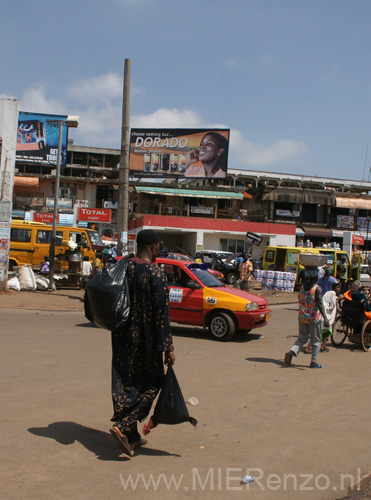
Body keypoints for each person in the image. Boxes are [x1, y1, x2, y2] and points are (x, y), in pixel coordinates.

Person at [110, 229, 175, 457]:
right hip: (145, 341)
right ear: (153, 247)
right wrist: (168, 347)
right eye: (158, 246)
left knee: (125, 383)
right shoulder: (156, 274)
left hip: (121, 339)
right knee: (154, 382)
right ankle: (125, 424)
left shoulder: (123, 266)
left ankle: (132, 437)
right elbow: (162, 315)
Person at [284, 267, 329, 368]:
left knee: (302, 338)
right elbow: (320, 304)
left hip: (303, 317)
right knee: (316, 340)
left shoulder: (302, 287)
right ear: (315, 278)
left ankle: (292, 352)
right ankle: (313, 362)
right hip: (314, 318)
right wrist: (325, 318)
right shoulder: (317, 289)